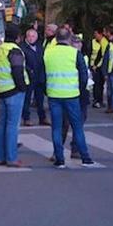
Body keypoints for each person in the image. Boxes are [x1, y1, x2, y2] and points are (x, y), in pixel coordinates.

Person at [44, 27, 96, 168]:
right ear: (68, 38)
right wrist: (79, 90)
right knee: (77, 127)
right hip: (72, 95)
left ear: (56, 38)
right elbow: (83, 75)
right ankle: (85, 158)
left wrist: (46, 90)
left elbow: (42, 74)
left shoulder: (48, 52)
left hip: (54, 94)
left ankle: (59, 159)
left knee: (57, 127)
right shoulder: (74, 53)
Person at [0, 24, 29, 168]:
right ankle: (12, 158)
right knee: (12, 126)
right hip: (14, 92)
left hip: (1, 90)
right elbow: (17, 70)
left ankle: (0, 157)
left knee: (1, 125)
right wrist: (23, 87)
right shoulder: (14, 50)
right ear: (18, 37)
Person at [59, 35, 92, 159]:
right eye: (74, 43)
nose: (77, 45)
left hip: (82, 94)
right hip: (68, 93)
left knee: (79, 123)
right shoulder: (67, 57)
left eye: (79, 43)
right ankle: (58, 150)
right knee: (64, 124)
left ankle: (75, 149)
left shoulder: (85, 57)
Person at [20, 28, 50, 126]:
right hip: (29, 77)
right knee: (27, 99)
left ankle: (43, 118)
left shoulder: (40, 47)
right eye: (29, 36)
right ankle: (26, 118)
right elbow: (22, 62)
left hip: (39, 76)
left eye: (33, 36)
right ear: (26, 37)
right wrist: (29, 70)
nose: (31, 38)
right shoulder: (22, 47)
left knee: (40, 100)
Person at [90, 28, 108, 108]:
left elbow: (103, 56)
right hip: (95, 66)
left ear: (100, 34)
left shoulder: (104, 42)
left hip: (98, 67)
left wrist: (97, 66)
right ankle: (97, 100)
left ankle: (98, 100)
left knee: (99, 84)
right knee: (98, 84)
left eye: (96, 34)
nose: (95, 35)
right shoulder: (95, 42)